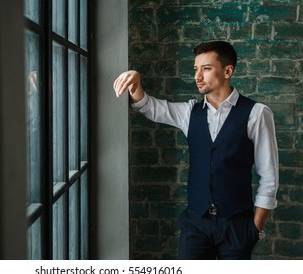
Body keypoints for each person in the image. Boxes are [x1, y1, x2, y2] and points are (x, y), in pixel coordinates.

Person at [113, 41, 279, 260]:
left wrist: (255, 228)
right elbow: (148, 106)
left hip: (237, 226)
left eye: (206, 68)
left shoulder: (256, 114)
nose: (197, 76)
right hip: (196, 225)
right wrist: (134, 79)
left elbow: (269, 177)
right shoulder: (189, 112)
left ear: (228, 71)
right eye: (195, 69)